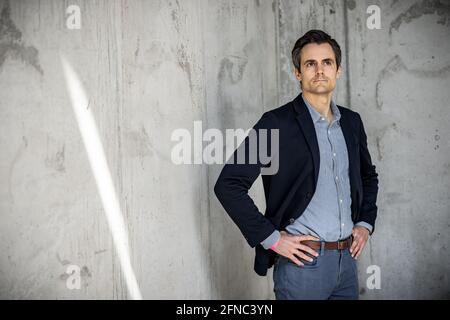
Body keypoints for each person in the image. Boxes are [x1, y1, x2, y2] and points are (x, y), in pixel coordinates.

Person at [214, 29, 379, 300]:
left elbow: (367, 176)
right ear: (298, 73)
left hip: (347, 264)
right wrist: (273, 239)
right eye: (310, 64)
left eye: (327, 62)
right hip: (302, 268)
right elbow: (229, 184)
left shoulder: (351, 122)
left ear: (338, 70)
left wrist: (365, 222)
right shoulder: (275, 123)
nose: (320, 70)